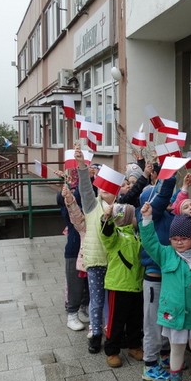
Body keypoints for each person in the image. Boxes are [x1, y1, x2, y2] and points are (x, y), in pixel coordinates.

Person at [140, 207, 191, 381]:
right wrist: (147, 219)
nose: (179, 242)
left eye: (184, 238)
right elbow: (150, 242)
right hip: (172, 314)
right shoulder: (166, 254)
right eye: (174, 238)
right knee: (176, 349)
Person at [135, 174, 179, 381]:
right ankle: (150, 364)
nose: (167, 200)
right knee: (152, 323)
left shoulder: (167, 216)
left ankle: (164, 354)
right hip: (153, 280)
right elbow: (164, 196)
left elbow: (176, 199)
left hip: (167, 278)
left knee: (165, 319)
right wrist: (169, 174)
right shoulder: (149, 216)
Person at [76, 148, 114, 354]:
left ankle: (111, 332)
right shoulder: (92, 206)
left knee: (112, 301)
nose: (103, 191)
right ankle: (96, 334)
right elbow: (84, 189)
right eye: (101, 188)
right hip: (96, 261)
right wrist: (82, 166)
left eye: (108, 189)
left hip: (115, 263)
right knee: (97, 300)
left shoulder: (121, 209)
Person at [99, 202, 145, 368]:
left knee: (135, 319)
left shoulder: (136, 235)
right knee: (116, 321)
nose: (136, 218)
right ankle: (112, 351)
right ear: (126, 218)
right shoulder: (116, 235)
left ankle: (134, 346)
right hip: (119, 286)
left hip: (136, 285)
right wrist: (106, 218)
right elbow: (106, 232)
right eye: (133, 216)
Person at [57, 174, 89, 332]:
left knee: (87, 284)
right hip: (74, 249)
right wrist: (67, 193)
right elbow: (64, 202)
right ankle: (72, 314)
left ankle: (84, 308)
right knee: (74, 284)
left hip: (89, 250)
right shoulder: (69, 206)